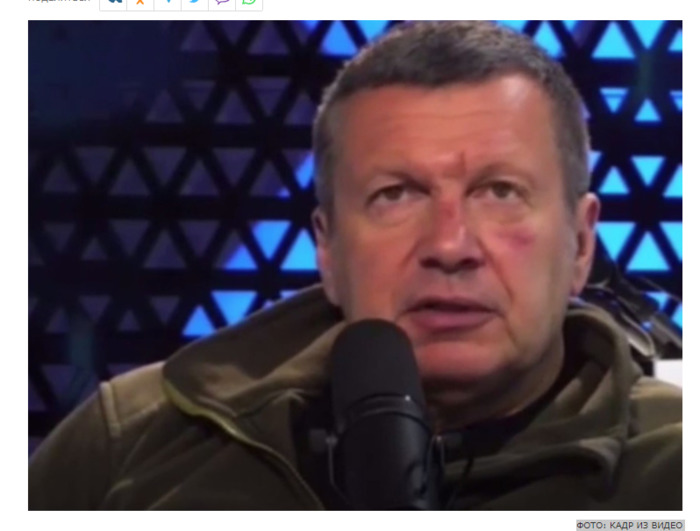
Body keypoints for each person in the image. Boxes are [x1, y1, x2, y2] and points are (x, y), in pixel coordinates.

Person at [29, 20, 681, 510]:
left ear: (581, 243)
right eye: (396, 194)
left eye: (500, 192)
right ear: (327, 248)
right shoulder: (128, 444)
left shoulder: (676, 469)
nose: (450, 245)